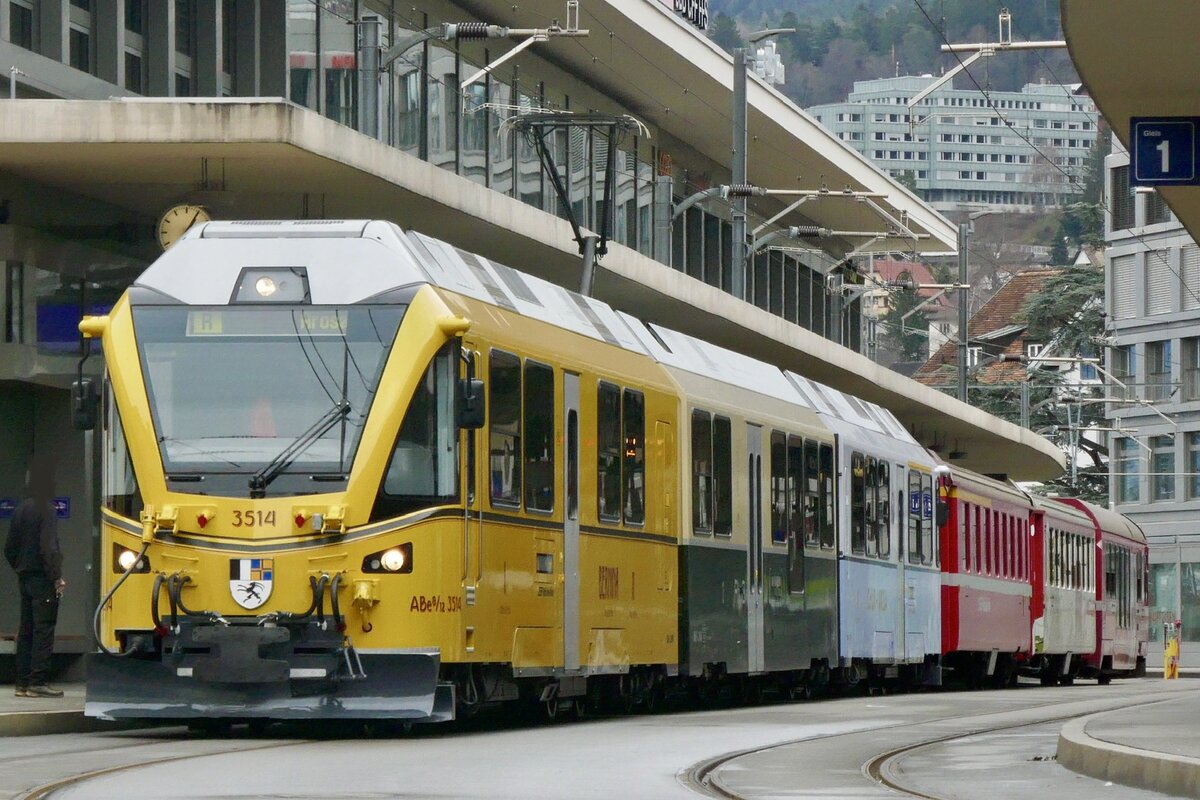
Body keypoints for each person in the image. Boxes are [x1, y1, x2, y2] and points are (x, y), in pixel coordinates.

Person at [4, 454, 65, 698]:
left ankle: (22, 684)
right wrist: (56, 577)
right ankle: (38, 682)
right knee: (44, 629)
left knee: (26, 629)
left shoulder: (20, 510)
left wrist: (20, 567)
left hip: (25, 578)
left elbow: (9, 548)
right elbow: (49, 548)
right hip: (42, 578)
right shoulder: (47, 510)